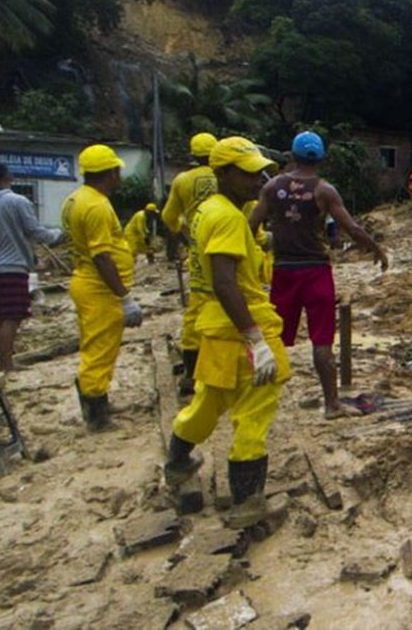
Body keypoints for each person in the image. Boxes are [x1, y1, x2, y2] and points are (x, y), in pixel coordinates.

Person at [163, 137, 291, 527]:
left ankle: (179, 460)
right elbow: (224, 281)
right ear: (221, 173)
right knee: (255, 409)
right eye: (248, 173)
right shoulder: (229, 218)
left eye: (260, 172)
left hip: (215, 327)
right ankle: (248, 501)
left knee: (209, 399)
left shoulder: (206, 210)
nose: (259, 180)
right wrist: (256, 339)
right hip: (240, 326)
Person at [250, 130, 389, 419]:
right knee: (322, 342)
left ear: (291, 155)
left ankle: (253, 400)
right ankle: (331, 405)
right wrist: (376, 249)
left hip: (283, 271)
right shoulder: (324, 190)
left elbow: (249, 225)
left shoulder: (272, 187)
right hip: (316, 271)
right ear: (322, 159)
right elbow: (352, 228)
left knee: (273, 338)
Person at [61, 144, 141, 430]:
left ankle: (99, 398)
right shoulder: (95, 205)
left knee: (97, 345)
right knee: (99, 349)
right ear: (109, 173)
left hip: (87, 281)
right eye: (117, 172)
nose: (119, 177)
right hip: (98, 287)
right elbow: (102, 256)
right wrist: (124, 296)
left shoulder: (75, 199)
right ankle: (96, 414)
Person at [0, 163, 65, 372]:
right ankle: (7, 365)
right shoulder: (17, 201)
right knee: (13, 316)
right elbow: (34, 231)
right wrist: (58, 235)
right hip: (12, 267)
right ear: (9, 176)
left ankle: (4, 361)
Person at [161, 132, 219, 393]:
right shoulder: (228, 177)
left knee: (196, 309)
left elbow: (169, 216)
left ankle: (192, 375)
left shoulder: (182, 180)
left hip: (198, 252)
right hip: (230, 247)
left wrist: (186, 237)